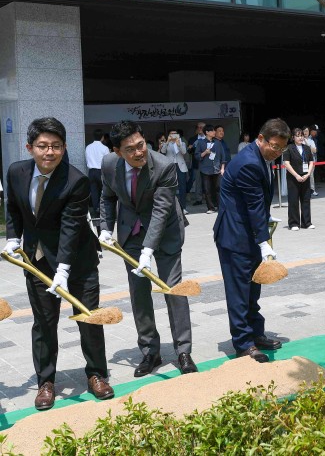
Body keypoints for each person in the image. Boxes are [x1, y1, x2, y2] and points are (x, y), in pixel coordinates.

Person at [4, 117, 114, 411]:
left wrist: (63, 269)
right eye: (42, 146)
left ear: (64, 149)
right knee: (43, 323)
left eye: (55, 146)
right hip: (38, 260)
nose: (49, 152)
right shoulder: (16, 172)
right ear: (30, 147)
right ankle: (46, 381)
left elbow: (71, 227)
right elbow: (13, 207)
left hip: (78, 261)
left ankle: (96, 374)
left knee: (88, 318)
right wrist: (13, 238)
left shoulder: (75, 180)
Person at [99, 120, 197, 377]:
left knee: (172, 288)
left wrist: (148, 250)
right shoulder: (109, 165)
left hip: (165, 233)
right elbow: (107, 197)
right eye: (129, 149)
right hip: (130, 233)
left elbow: (162, 210)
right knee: (139, 294)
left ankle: (183, 351)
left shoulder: (165, 166)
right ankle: (150, 351)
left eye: (140, 145)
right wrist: (105, 229)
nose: (138, 152)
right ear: (118, 152)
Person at [214, 118, 290, 362]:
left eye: (281, 149)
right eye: (274, 146)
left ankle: (256, 334)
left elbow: (257, 203)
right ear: (260, 138)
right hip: (234, 236)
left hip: (247, 233)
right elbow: (254, 204)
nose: (277, 152)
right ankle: (243, 344)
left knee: (252, 289)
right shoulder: (249, 163)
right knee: (239, 292)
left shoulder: (261, 158)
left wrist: (264, 224)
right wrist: (264, 240)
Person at [285, 128, 315, 230]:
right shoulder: (289, 148)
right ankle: (294, 223)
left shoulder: (306, 148)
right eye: (298, 136)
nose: (300, 137)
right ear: (293, 137)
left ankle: (307, 222)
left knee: (306, 199)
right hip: (293, 178)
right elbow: (286, 163)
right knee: (293, 200)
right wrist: (296, 175)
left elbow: (311, 161)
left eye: (301, 135)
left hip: (305, 176)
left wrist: (308, 174)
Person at [195, 124, 224, 214]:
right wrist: (205, 152)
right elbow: (197, 156)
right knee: (207, 189)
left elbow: (222, 156)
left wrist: (222, 168)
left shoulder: (218, 143)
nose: (214, 132)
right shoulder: (200, 142)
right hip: (205, 169)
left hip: (216, 168)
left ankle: (220, 207)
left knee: (218, 188)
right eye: (212, 131)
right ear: (207, 132)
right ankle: (211, 208)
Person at [159, 128, 189, 214]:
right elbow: (163, 151)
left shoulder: (181, 143)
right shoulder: (166, 144)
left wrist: (178, 144)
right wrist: (167, 142)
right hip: (170, 166)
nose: (173, 135)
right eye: (171, 134)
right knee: (171, 187)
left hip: (180, 166)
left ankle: (183, 207)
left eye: (175, 134)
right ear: (169, 135)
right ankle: (172, 208)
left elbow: (184, 152)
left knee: (182, 187)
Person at [85, 128, 109, 225]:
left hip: (91, 171)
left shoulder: (88, 147)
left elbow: (87, 160)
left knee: (94, 191)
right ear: (102, 137)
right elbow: (107, 162)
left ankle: (96, 209)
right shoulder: (105, 148)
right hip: (101, 171)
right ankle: (104, 209)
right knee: (103, 191)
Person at [187, 122, 206, 205]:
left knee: (209, 181)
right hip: (197, 163)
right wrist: (190, 148)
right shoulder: (192, 139)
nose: (200, 129)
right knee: (198, 181)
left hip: (208, 163)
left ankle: (211, 198)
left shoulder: (209, 138)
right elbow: (189, 152)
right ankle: (199, 199)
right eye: (198, 127)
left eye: (202, 127)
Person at [303, 126, 318, 195]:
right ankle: (304, 190)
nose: (306, 132)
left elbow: (314, 150)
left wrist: (307, 144)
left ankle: (312, 189)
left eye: (307, 131)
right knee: (303, 174)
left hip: (311, 160)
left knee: (311, 175)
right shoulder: (299, 140)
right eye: (304, 131)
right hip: (303, 160)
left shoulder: (311, 141)